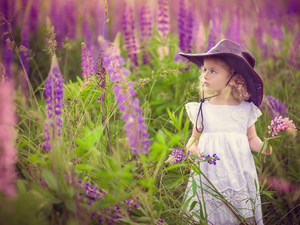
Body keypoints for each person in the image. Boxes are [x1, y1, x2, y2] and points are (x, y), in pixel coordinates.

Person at [179, 39, 272, 225]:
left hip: (238, 174)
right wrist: (191, 148)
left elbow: (251, 138)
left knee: (238, 213)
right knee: (209, 212)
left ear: (234, 78)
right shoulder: (202, 109)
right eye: (204, 69)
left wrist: (264, 147)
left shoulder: (245, 110)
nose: (205, 75)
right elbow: (192, 139)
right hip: (209, 175)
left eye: (213, 71)